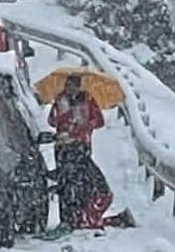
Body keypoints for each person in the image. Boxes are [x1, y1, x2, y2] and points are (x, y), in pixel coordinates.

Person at [47, 74, 132, 230]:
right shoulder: (61, 100)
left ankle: (82, 216)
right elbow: (51, 121)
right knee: (65, 183)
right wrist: (63, 115)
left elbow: (98, 121)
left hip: (81, 147)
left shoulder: (87, 99)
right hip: (62, 147)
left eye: (73, 86)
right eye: (67, 86)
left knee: (82, 182)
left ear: (79, 86)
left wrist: (83, 125)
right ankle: (69, 218)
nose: (69, 89)